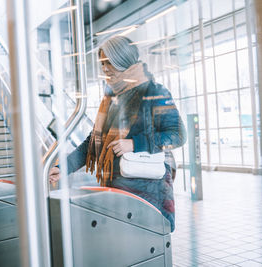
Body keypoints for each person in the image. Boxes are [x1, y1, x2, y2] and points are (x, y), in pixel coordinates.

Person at [49, 36, 186, 232]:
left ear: (122, 59)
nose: (104, 68)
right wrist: (62, 168)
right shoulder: (113, 97)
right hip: (118, 190)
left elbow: (178, 135)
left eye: (109, 62)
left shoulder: (154, 91)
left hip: (147, 194)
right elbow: (93, 144)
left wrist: (135, 143)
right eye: (102, 63)